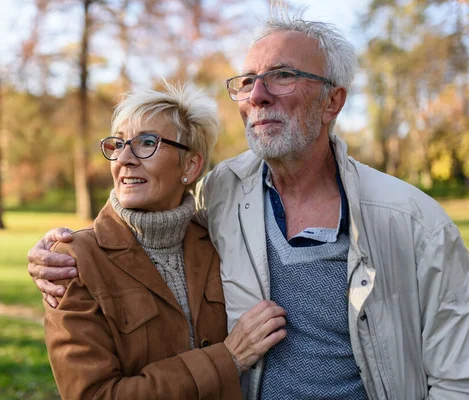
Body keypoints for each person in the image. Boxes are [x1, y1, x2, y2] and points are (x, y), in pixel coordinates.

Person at [28, 9, 469, 400]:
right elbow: (145, 221)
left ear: (333, 101)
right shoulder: (222, 194)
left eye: (283, 75)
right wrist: (54, 254)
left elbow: (461, 379)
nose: (257, 95)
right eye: (247, 82)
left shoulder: (414, 221)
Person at [41, 82, 287, 400]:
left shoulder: (219, 239)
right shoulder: (73, 260)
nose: (124, 159)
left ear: (190, 165)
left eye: (146, 143)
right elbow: (95, 395)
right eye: (118, 144)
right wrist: (228, 359)